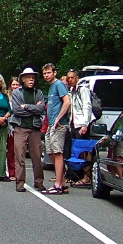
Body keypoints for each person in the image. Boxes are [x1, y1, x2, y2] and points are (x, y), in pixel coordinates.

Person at [10, 67, 46, 192]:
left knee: (37, 156)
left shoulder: (39, 93)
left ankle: (39, 182)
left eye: (33, 77)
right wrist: (33, 109)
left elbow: (41, 109)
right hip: (20, 128)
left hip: (35, 128)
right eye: (29, 77)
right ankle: (20, 182)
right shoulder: (16, 93)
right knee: (19, 155)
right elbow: (16, 110)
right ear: (23, 79)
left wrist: (26, 107)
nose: (31, 79)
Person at [42, 63, 71, 194]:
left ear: (54, 73)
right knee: (51, 152)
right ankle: (63, 182)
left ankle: (58, 185)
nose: (47, 75)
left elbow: (67, 101)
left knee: (57, 152)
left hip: (58, 125)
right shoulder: (51, 87)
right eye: (44, 73)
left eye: (49, 72)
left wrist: (58, 119)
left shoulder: (59, 84)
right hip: (51, 125)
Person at [68, 69, 94, 141]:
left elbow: (87, 106)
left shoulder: (83, 89)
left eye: (72, 78)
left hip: (81, 124)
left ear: (77, 78)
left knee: (81, 147)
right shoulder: (72, 90)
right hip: (74, 125)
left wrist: (84, 125)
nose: (70, 80)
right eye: (68, 78)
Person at [6, 79, 20, 180]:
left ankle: (19, 172)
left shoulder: (22, 96)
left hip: (20, 126)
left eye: (17, 84)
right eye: (13, 84)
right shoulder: (7, 97)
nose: (15, 86)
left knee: (19, 151)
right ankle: (12, 172)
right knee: (11, 150)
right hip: (9, 127)